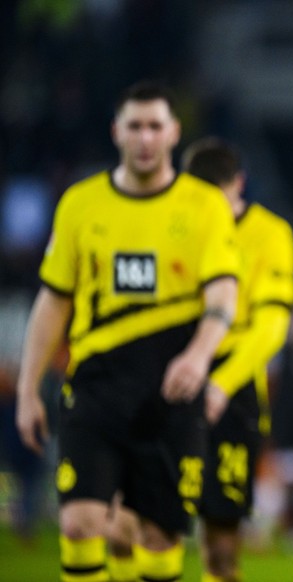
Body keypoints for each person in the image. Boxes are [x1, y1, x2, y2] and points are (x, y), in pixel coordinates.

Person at [15, 81, 240, 582]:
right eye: (135, 126)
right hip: (96, 387)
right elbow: (53, 301)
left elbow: (224, 293)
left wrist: (199, 356)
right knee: (78, 523)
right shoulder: (81, 204)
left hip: (170, 392)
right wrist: (28, 389)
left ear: (174, 132)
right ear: (116, 131)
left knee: (159, 539)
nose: (145, 137)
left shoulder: (202, 206)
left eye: (155, 126)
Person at [106, 137, 293, 581]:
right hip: (165, 381)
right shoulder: (164, 227)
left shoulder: (270, 233)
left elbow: (270, 326)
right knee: (130, 527)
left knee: (221, 548)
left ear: (240, 186)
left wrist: (221, 383)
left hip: (230, 395)